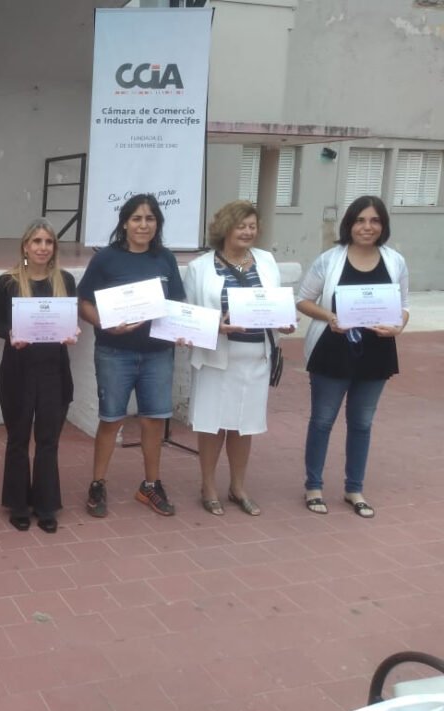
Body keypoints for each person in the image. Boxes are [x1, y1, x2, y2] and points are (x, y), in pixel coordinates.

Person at [296, 195, 408, 518]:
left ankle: (354, 488)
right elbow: (303, 300)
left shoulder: (395, 261)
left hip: (376, 352)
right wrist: (330, 317)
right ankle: (314, 486)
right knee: (322, 421)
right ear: (349, 224)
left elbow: (404, 306)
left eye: (374, 221)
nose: (367, 227)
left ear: (383, 226)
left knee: (362, 422)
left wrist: (399, 326)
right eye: (360, 220)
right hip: (332, 351)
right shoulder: (329, 260)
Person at [77, 193, 185, 518]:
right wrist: (105, 324)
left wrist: (184, 329)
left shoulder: (165, 258)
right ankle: (98, 483)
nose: (143, 225)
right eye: (136, 218)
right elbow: (84, 303)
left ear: (157, 224)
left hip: (157, 354)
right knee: (111, 420)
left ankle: (150, 485)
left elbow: (177, 303)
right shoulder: (106, 259)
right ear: (125, 223)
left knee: (153, 420)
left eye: (150, 219)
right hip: (115, 352)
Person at [184, 200, 295, 516]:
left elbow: (275, 304)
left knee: (244, 425)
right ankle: (208, 486)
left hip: (255, 357)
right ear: (225, 228)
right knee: (212, 424)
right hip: (216, 357)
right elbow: (189, 314)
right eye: (240, 226)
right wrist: (214, 326)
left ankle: (237, 487)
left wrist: (285, 323)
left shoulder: (266, 261)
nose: (247, 232)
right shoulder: (200, 267)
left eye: (252, 226)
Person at [0, 219, 77, 533]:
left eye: (48, 242)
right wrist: (11, 334)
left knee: (48, 440)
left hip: (54, 370)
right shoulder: (8, 282)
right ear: (25, 246)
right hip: (18, 371)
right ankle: (18, 504)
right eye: (37, 241)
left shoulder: (65, 280)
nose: (43, 247)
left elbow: (70, 322)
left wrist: (71, 332)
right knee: (17, 439)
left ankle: (46, 505)